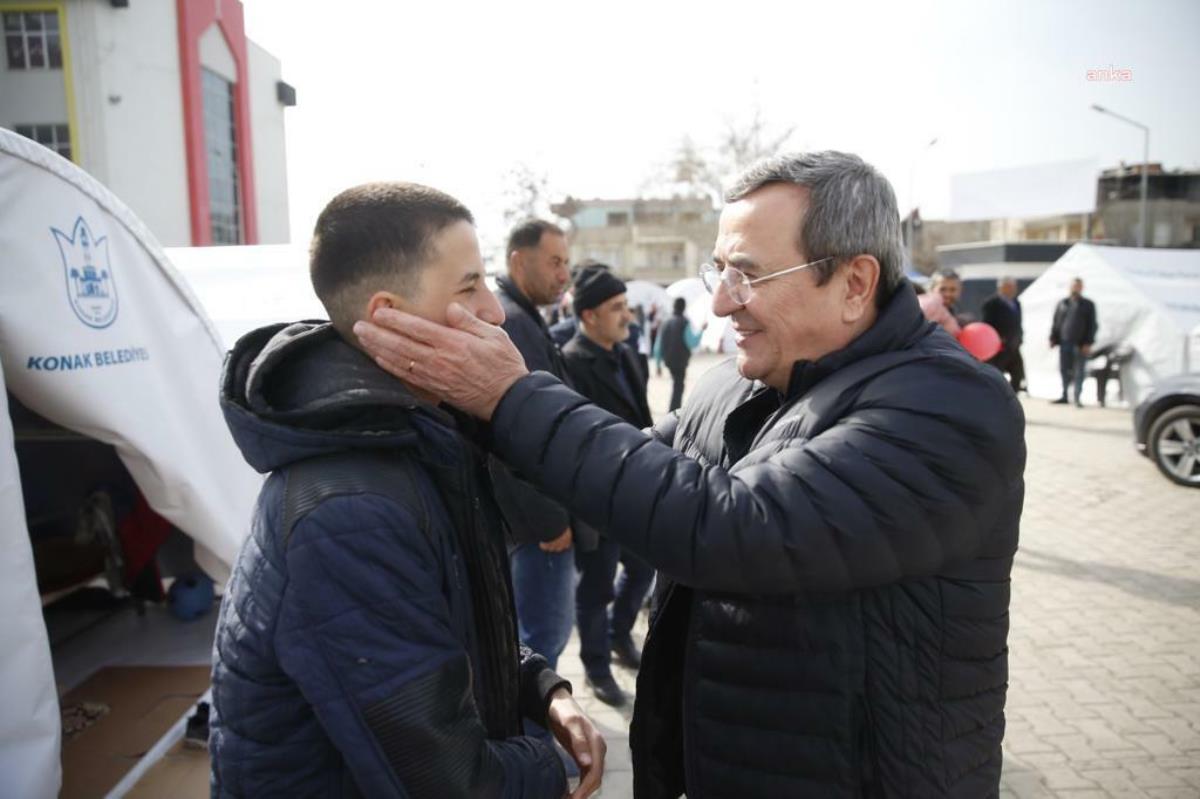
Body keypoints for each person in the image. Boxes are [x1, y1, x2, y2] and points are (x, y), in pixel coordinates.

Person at [356, 151, 1025, 798]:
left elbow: (735, 529)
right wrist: (463, 409)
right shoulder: (740, 380)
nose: (722, 304)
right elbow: (625, 474)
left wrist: (511, 397)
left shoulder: (949, 408)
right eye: (719, 271)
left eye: (749, 275)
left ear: (854, 282)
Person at [209, 183, 605, 798]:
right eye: (468, 288)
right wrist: (548, 765)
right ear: (388, 314)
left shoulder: (421, 437)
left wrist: (539, 689)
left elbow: (443, 625)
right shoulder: (349, 511)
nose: (495, 312)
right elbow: (450, 783)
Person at [560, 265, 656, 708]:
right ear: (589, 315)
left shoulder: (628, 354)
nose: (627, 316)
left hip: (634, 489)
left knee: (643, 569)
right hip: (596, 498)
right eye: (617, 308)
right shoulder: (570, 362)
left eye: (626, 306)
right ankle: (596, 667)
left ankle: (619, 636)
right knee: (596, 585)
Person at [492, 219, 576, 673]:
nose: (564, 275)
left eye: (567, 263)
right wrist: (549, 520)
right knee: (542, 640)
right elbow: (518, 431)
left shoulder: (524, 317)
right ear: (519, 262)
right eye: (555, 262)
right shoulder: (515, 322)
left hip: (531, 522)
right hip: (537, 527)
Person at [1049, 276, 1098, 407]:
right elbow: (1056, 322)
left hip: (1080, 344)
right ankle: (1065, 395)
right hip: (1064, 342)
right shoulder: (1063, 303)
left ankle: (1077, 397)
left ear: (1082, 288)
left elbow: (1092, 325)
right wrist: (1053, 338)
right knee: (1064, 370)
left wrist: (1088, 342)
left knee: (1079, 371)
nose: (1076, 288)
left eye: (1078, 286)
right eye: (1074, 286)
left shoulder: (1088, 305)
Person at [654, 296, 703, 411]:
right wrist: (701, 330)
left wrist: (658, 365)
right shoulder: (685, 322)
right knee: (679, 386)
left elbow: (658, 345)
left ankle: (673, 409)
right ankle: (674, 410)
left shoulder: (665, 322)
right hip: (681, 360)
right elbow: (692, 342)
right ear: (684, 307)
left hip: (668, 360)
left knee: (676, 384)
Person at [982, 276, 1025, 392]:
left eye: (1014, 287)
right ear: (1001, 288)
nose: (1013, 290)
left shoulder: (1016, 302)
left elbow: (1018, 322)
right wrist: (997, 339)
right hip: (999, 347)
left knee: (1018, 373)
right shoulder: (992, 303)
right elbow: (987, 324)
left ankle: (1011, 395)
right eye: (1010, 287)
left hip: (1014, 345)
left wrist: (1020, 338)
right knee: (996, 373)